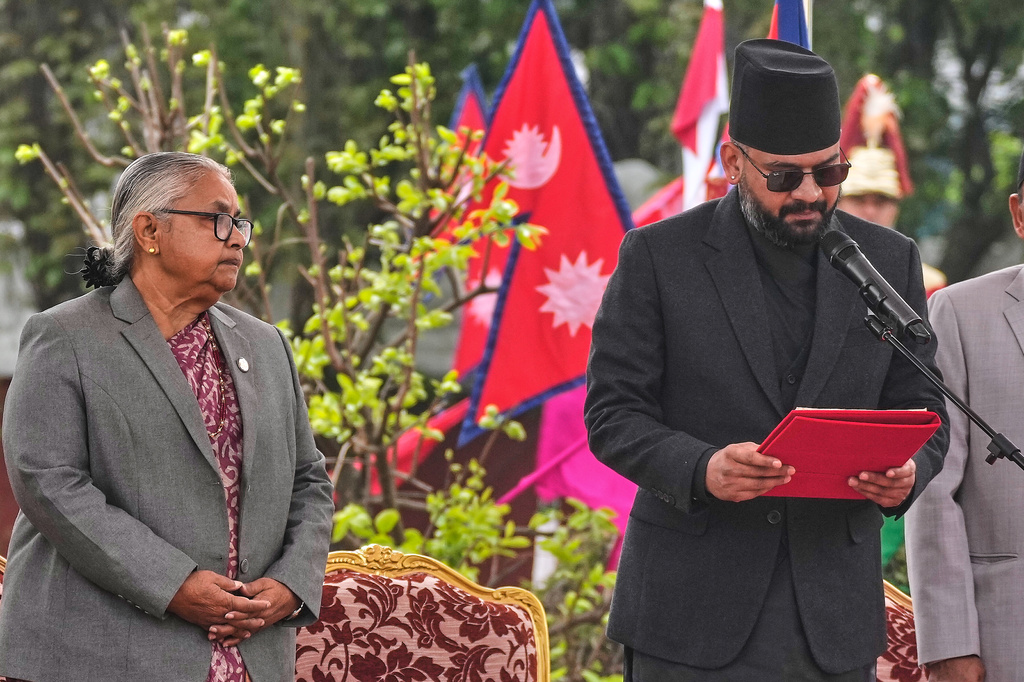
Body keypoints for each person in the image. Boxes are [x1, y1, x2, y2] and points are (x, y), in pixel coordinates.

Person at [585, 39, 949, 681]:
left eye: (827, 172)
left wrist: (908, 472)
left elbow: (925, 407)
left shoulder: (888, 261)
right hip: (690, 612)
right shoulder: (659, 258)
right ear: (733, 161)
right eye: (784, 176)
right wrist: (701, 467)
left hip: (830, 617)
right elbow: (613, 414)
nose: (809, 193)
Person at [0, 152, 335, 682]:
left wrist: (291, 584)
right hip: (103, 653)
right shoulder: (65, 337)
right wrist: (174, 584)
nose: (239, 238)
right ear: (150, 229)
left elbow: (308, 480)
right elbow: (49, 484)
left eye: (241, 223)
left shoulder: (266, 344)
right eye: (218, 219)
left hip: (250, 656)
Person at [904, 150, 1024, 682]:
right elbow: (931, 487)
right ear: (1019, 215)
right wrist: (949, 643)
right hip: (1004, 636)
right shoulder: (958, 313)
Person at [838, 74, 946, 296]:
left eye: (881, 201)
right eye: (858, 199)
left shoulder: (929, 285)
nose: (869, 211)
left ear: (896, 206)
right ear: (838, 201)